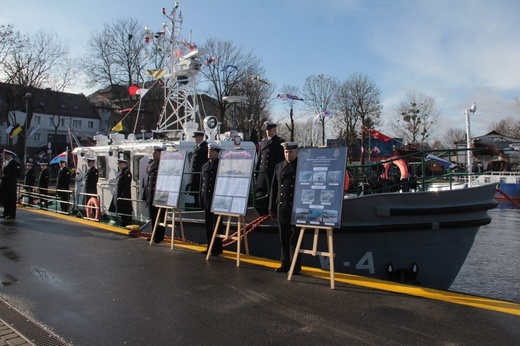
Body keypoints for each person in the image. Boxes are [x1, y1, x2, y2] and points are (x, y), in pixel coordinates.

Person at [268, 142, 300, 273]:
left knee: (295, 239)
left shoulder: (301, 166)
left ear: (296, 153)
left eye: (291, 152)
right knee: (283, 237)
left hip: (295, 207)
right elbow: (274, 188)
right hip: (282, 207)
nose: (288, 154)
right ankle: (285, 263)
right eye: (286, 152)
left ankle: (295, 265)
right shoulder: (278, 167)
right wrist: (271, 207)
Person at [255, 121, 284, 216]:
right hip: (262, 174)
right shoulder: (263, 141)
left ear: (274, 130)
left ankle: (270, 212)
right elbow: (260, 158)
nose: (268, 132)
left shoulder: (278, 142)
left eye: (270, 130)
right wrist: (257, 172)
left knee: (270, 194)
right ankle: (262, 212)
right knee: (260, 193)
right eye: (267, 130)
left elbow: (280, 159)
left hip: (271, 173)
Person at [199, 142, 222, 256]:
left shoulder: (220, 165)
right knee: (208, 225)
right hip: (207, 199)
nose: (209, 152)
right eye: (209, 150)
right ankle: (210, 246)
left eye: (212, 151)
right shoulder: (204, 166)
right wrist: (201, 198)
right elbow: (201, 183)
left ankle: (217, 247)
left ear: (217, 153)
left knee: (217, 225)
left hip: (216, 199)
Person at [144, 147, 164, 243]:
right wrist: (146, 195)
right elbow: (149, 181)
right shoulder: (153, 164)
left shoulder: (163, 165)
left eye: (155, 153)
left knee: (160, 217)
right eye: (153, 153)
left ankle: (159, 236)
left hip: (159, 195)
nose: (153, 154)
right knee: (153, 216)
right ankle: (154, 234)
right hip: (151, 195)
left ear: (161, 154)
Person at [185, 130, 208, 208]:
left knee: (198, 191)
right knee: (194, 192)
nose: (194, 139)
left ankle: (199, 206)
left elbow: (205, 161)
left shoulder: (205, 147)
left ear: (200, 137)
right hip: (194, 174)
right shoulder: (196, 147)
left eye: (195, 137)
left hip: (199, 174)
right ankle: (196, 205)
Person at [109, 159, 133, 227]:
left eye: (120, 164)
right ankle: (123, 221)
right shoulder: (121, 172)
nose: (119, 165)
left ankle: (126, 222)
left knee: (125, 209)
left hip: (124, 195)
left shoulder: (127, 172)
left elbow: (126, 186)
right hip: (118, 193)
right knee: (121, 209)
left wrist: (123, 195)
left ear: (123, 164)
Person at [1, 149, 20, 219]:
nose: (3, 156)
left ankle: (11, 214)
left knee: (10, 200)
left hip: (10, 185)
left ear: (9, 155)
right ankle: (6, 213)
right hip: (4, 184)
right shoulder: (5, 162)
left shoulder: (14, 163)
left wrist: (5, 176)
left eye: (5, 154)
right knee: (5, 199)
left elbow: (17, 174)